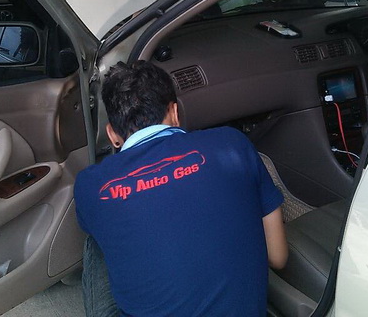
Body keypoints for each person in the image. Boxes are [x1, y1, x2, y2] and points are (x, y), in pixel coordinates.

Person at [74, 61, 287, 317]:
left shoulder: (90, 184)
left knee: (96, 240)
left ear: (112, 135)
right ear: (174, 112)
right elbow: (278, 257)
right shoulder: (233, 143)